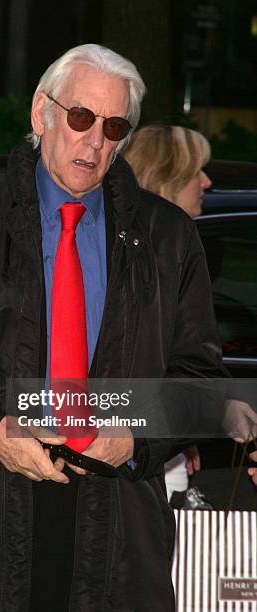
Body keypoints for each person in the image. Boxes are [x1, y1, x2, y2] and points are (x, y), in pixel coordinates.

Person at [0, 45, 224, 611]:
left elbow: (201, 378)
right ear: (42, 114)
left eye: (113, 126)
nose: (94, 140)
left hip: (115, 539)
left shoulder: (168, 237)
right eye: (80, 117)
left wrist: (136, 437)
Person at [124, 124, 212, 504]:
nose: (207, 182)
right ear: (169, 179)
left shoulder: (170, 255)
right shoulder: (146, 268)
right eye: (196, 172)